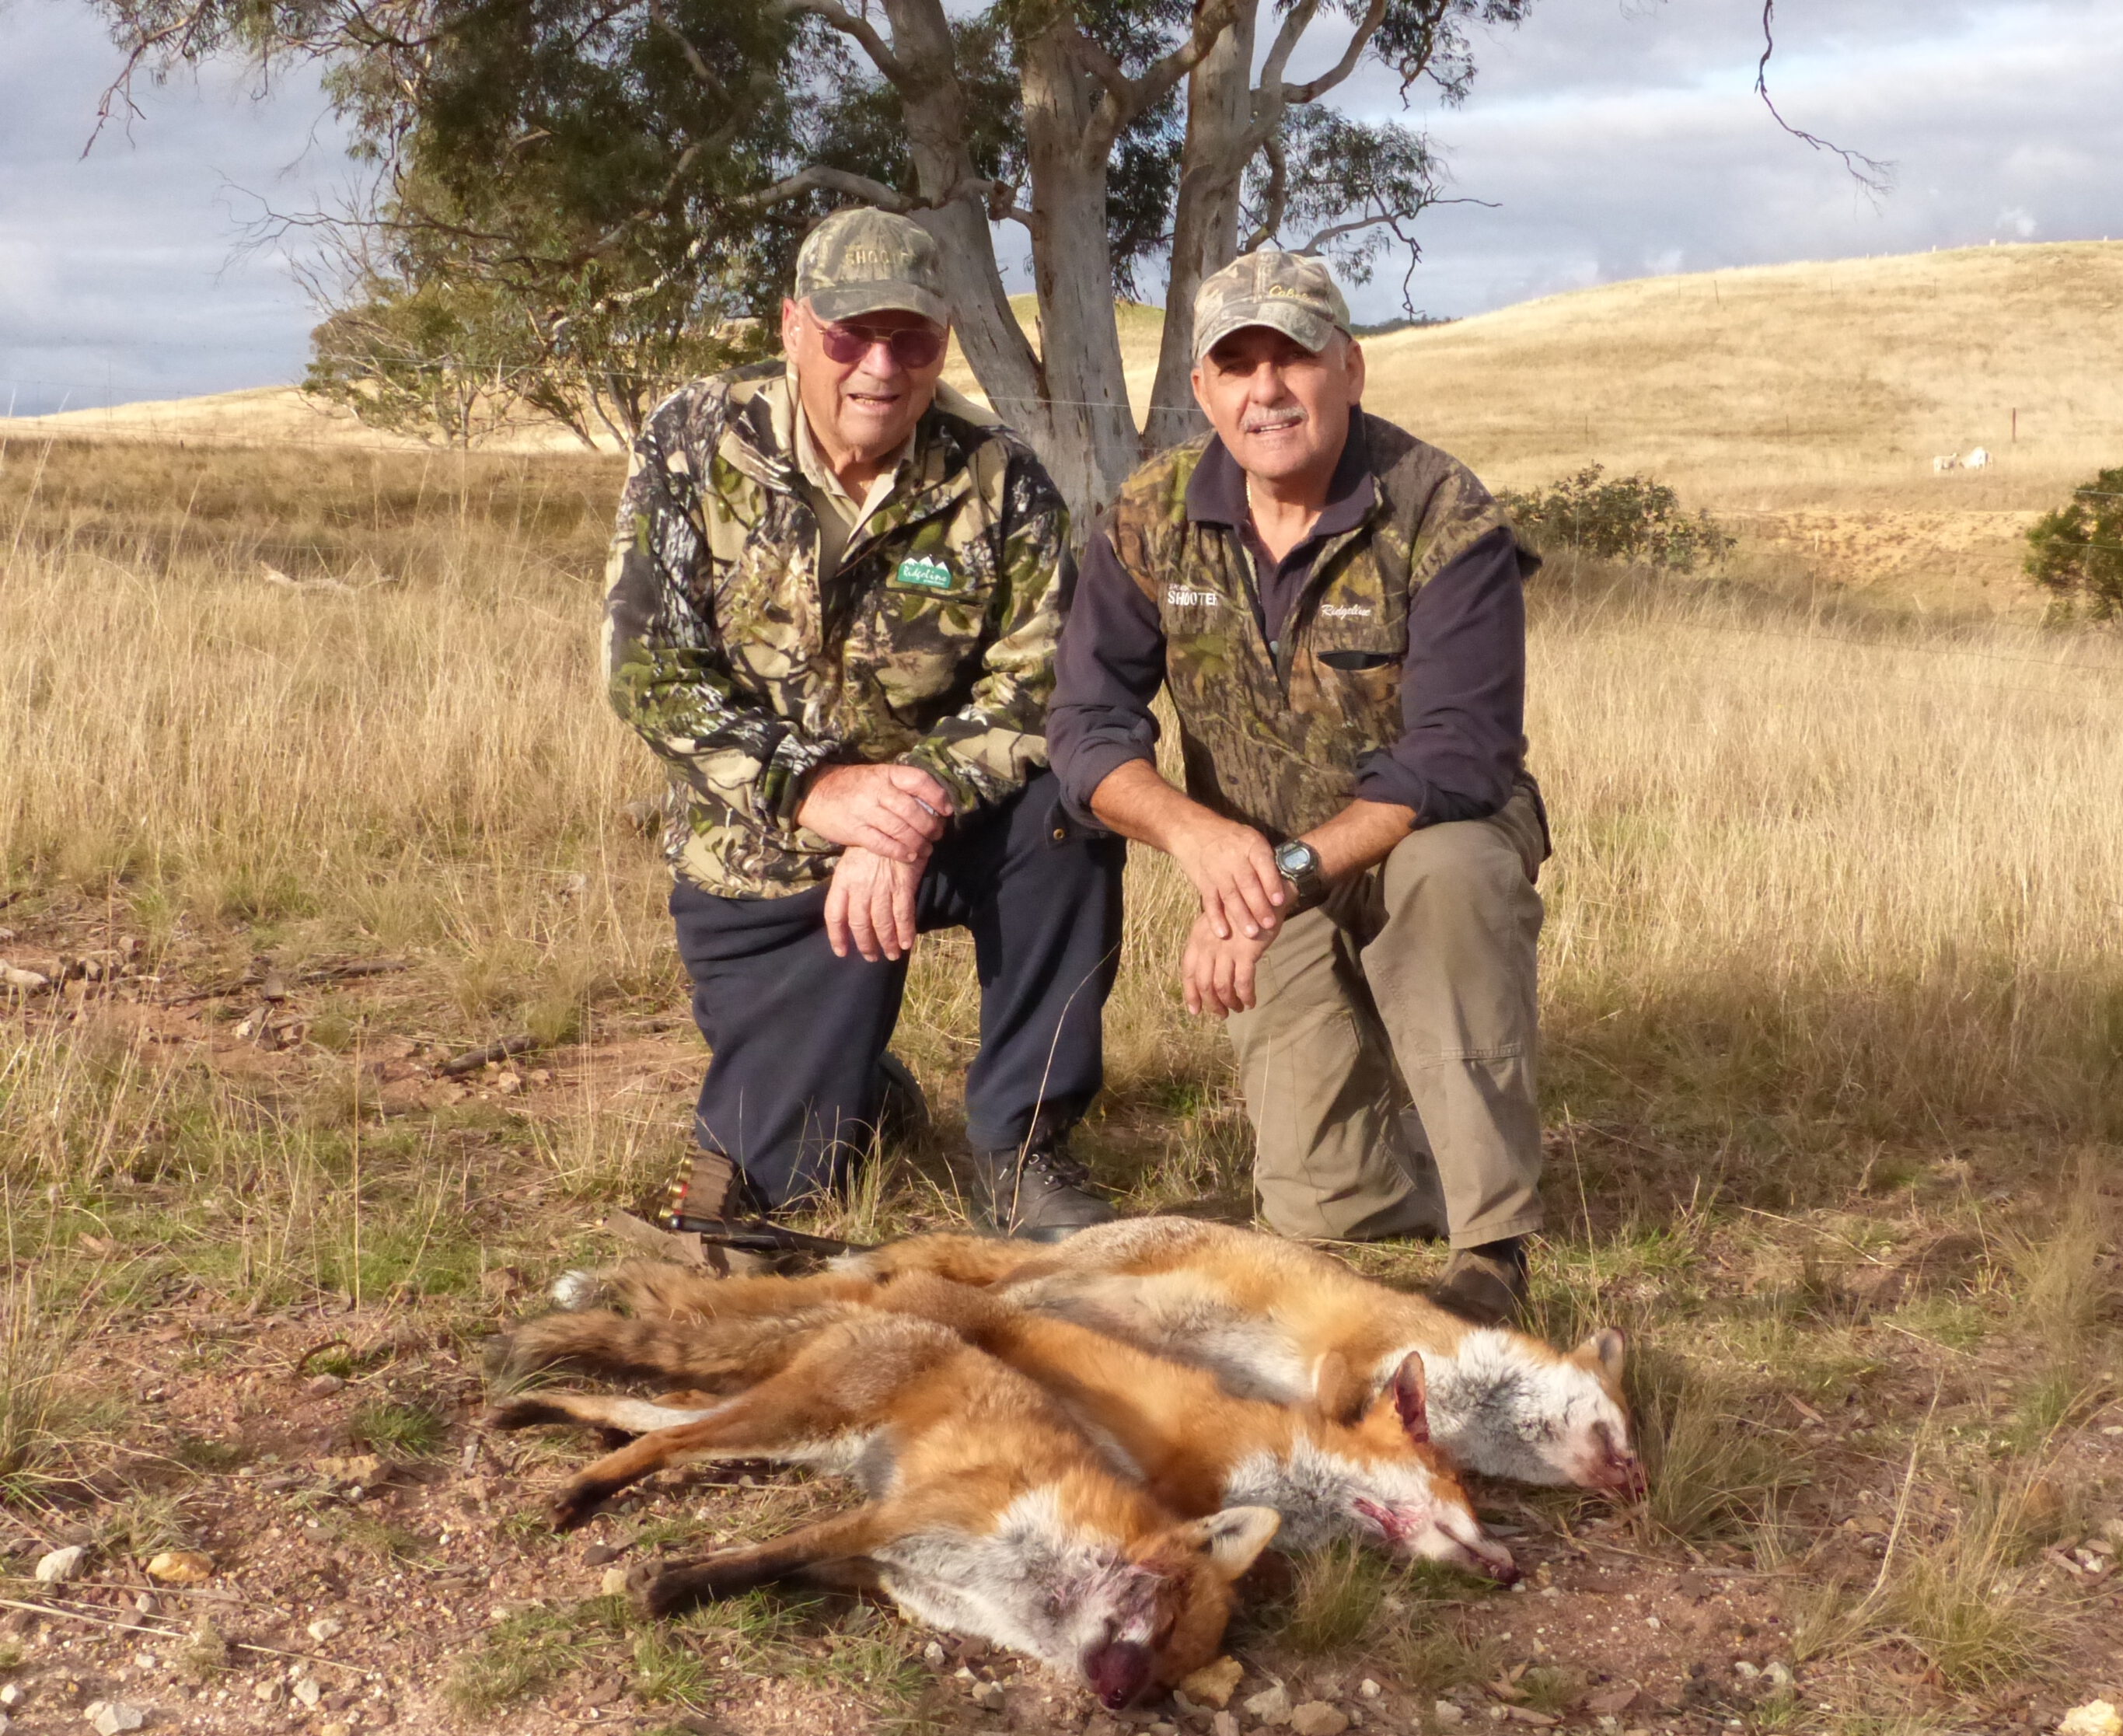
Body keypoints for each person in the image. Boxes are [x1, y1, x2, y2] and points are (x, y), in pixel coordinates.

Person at [602, 206, 1123, 1247]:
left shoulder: (1000, 475)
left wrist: (908, 808)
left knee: (1073, 809)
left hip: (939, 826)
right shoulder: (694, 440)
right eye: (851, 336)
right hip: (765, 853)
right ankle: (862, 1087)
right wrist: (818, 791)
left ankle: (1023, 1154)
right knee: (775, 1189)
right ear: (795, 327)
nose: (881, 367)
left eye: (914, 340)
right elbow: (650, 670)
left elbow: (1036, 683)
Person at [1047, 248, 1547, 1323]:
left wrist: (1275, 870)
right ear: (1203, 390)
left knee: (1449, 873)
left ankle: (1492, 1242)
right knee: (1324, 1207)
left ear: (1351, 368)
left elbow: (1459, 750)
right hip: (1261, 866)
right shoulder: (1151, 514)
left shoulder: (1443, 510)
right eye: (1238, 364)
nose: (1267, 390)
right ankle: (1409, 1149)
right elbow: (1087, 727)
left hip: (1421, 831)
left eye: (1295, 358)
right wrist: (1198, 843)